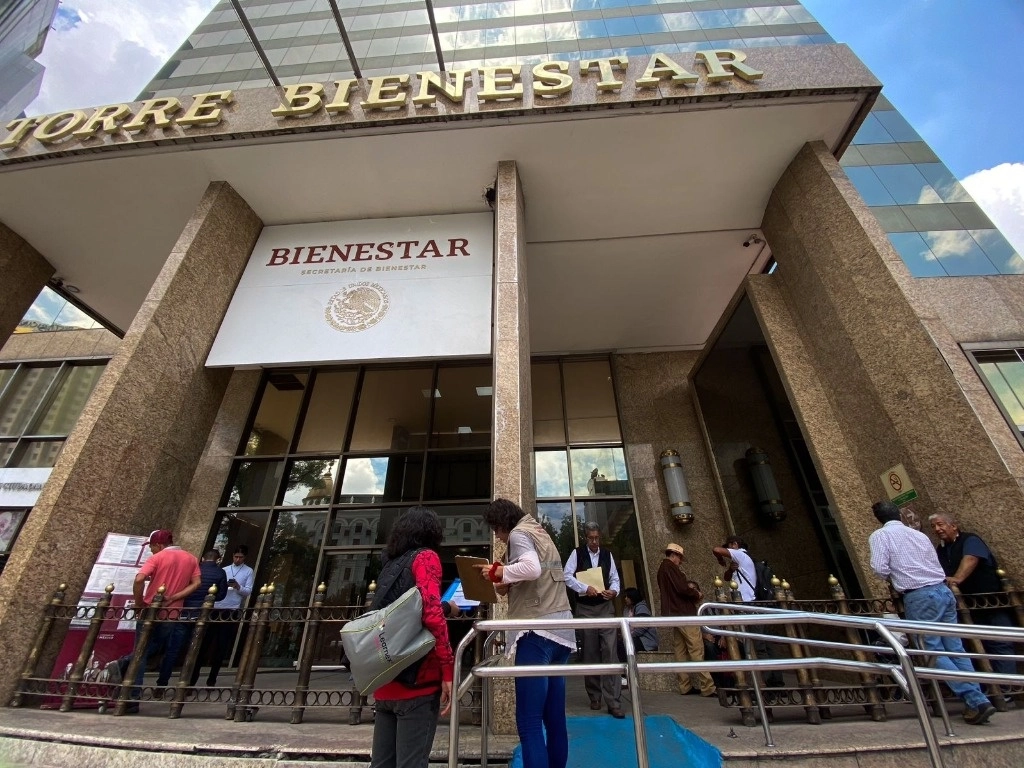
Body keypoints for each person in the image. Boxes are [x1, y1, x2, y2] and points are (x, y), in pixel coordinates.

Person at [869, 501, 996, 725]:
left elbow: (879, 567)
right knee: (955, 647)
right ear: (898, 514)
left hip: (919, 595)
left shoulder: (880, 536)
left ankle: (975, 699)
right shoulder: (919, 535)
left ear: (878, 518)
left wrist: (893, 575)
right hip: (943, 591)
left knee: (930, 649)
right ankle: (977, 699)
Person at [477, 498, 576, 768]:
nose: (497, 536)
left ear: (504, 522)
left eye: (497, 529)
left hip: (536, 631)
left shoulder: (519, 534)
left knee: (529, 721)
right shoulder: (539, 531)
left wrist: (498, 571)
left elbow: (531, 569)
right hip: (562, 631)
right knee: (554, 718)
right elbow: (540, 573)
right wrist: (506, 581)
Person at [369, 506, 454, 768]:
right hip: (418, 682)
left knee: (381, 763)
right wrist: (448, 668)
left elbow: (406, 610)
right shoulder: (426, 557)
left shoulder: (390, 563)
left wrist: (445, 607)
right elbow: (430, 614)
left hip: (386, 679)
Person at [930, 513, 1017, 685]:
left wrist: (958, 578)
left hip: (990, 602)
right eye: (934, 527)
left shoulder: (970, 540)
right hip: (967, 606)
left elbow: (971, 558)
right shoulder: (941, 549)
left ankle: (1009, 687)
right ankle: (993, 686)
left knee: (1000, 643)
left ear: (953, 525)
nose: (937, 529)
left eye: (940, 525)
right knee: (978, 645)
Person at [124, 529, 201, 712]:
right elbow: (196, 583)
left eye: (151, 547)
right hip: (172, 612)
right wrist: (174, 597)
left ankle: (132, 694)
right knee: (156, 646)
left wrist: (139, 603)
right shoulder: (190, 558)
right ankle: (125, 666)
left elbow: (140, 579)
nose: (151, 550)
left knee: (141, 651)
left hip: (151, 609)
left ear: (158, 545)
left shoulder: (157, 558)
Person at [562, 521, 624, 717]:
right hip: (586, 609)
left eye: (597, 538)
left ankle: (613, 701)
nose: (594, 541)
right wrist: (584, 588)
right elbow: (566, 576)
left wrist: (614, 591)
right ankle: (594, 696)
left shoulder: (607, 555)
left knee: (610, 651)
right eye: (591, 538)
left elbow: (614, 577)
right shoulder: (577, 553)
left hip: (605, 607)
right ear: (586, 537)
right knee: (590, 653)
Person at [712, 535, 784, 687]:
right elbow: (726, 578)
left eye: (729, 546)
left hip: (750, 606)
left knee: (759, 645)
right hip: (748, 605)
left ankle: (767, 681)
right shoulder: (739, 562)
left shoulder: (740, 555)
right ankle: (774, 678)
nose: (728, 549)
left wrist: (720, 559)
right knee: (762, 641)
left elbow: (716, 549)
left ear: (735, 544)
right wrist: (730, 568)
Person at [190, 544, 254, 687]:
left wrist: (238, 587)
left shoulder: (248, 571)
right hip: (216, 608)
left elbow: (248, 590)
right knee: (205, 643)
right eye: (236, 557)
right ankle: (193, 678)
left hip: (232, 609)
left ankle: (212, 678)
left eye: (241, 557)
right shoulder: (224, 570)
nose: (237, 559)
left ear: (245, 558)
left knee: (222, 645)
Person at [657, 543, 716, 697]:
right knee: (696, 648)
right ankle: (707, 687)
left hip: (674, 614)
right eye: (680, 557)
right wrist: (696, 594)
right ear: (674, 555)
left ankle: (685, 686)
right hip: (683, 612)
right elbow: (682, 588)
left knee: (680, 650)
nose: (680, 561)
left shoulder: (663, 569)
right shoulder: (670, 567)